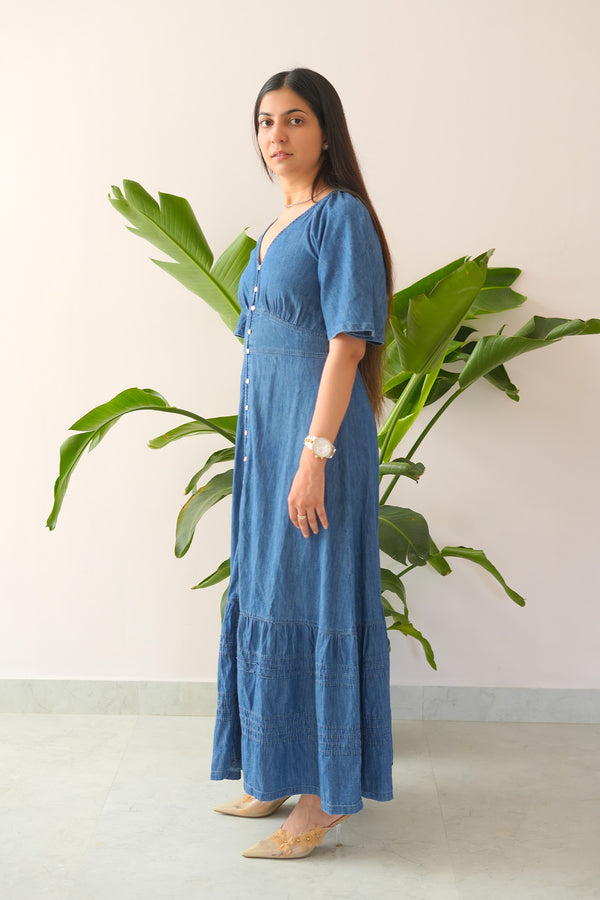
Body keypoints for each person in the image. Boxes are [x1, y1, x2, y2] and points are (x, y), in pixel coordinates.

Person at [210, 68, 394, 860]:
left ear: (326, 131)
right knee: (267, 587)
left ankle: (320, 804)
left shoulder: (340, 217)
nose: (275, 135)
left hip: (316, 438)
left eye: (293, 120)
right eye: (263, 122)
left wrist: (314, 456)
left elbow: (348, 344)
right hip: (268, 439)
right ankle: (278, 770)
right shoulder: (276, 223)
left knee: (314, 598)